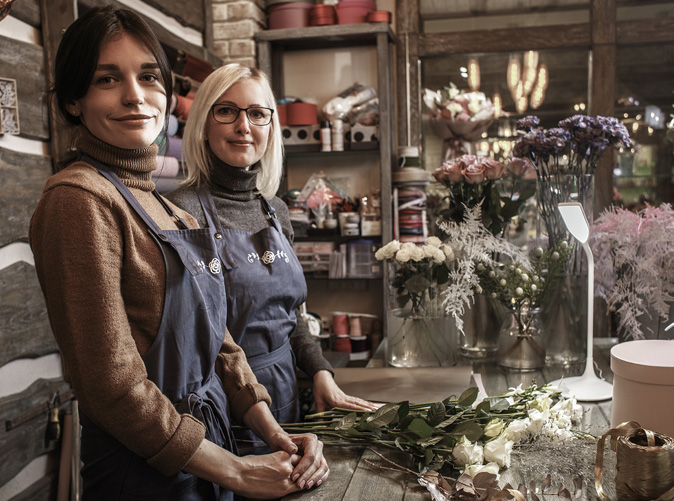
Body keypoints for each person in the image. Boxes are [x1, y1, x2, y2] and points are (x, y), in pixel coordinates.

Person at [30, 7, 328, 500]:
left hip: (208, 455)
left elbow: (221, 343)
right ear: (74, 101)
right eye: (107, 78)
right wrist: (235, 470)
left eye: (148, 76)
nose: (134, 95)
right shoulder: (78, 199)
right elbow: (113, 385)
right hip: (147, 472)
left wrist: (272, 431)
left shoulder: (167, 209)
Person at [166, 63, 376, 454]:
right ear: (203, 123)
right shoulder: (183, 210)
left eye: (257, 113)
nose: (244, 126)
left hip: (286, 392)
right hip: (225, 403)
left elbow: (292, 313)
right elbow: (191, 337)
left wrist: (319, 370)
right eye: (226, 111)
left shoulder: (275, 210)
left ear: (270, 126)